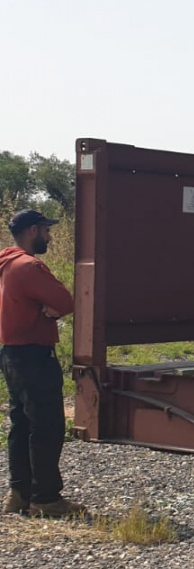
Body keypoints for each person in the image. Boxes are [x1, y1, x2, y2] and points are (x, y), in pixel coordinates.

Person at [0, 209, 86, 517]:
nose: (50, 236)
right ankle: (46, 498)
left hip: (10, 354)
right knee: (47, 426)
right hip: (35, 354)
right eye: (46, 231)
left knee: (21, 423)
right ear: (33, 231)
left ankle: (19, 493)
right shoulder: (29, 266)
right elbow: (65, 301)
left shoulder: (5, 263)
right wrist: (49, 311)